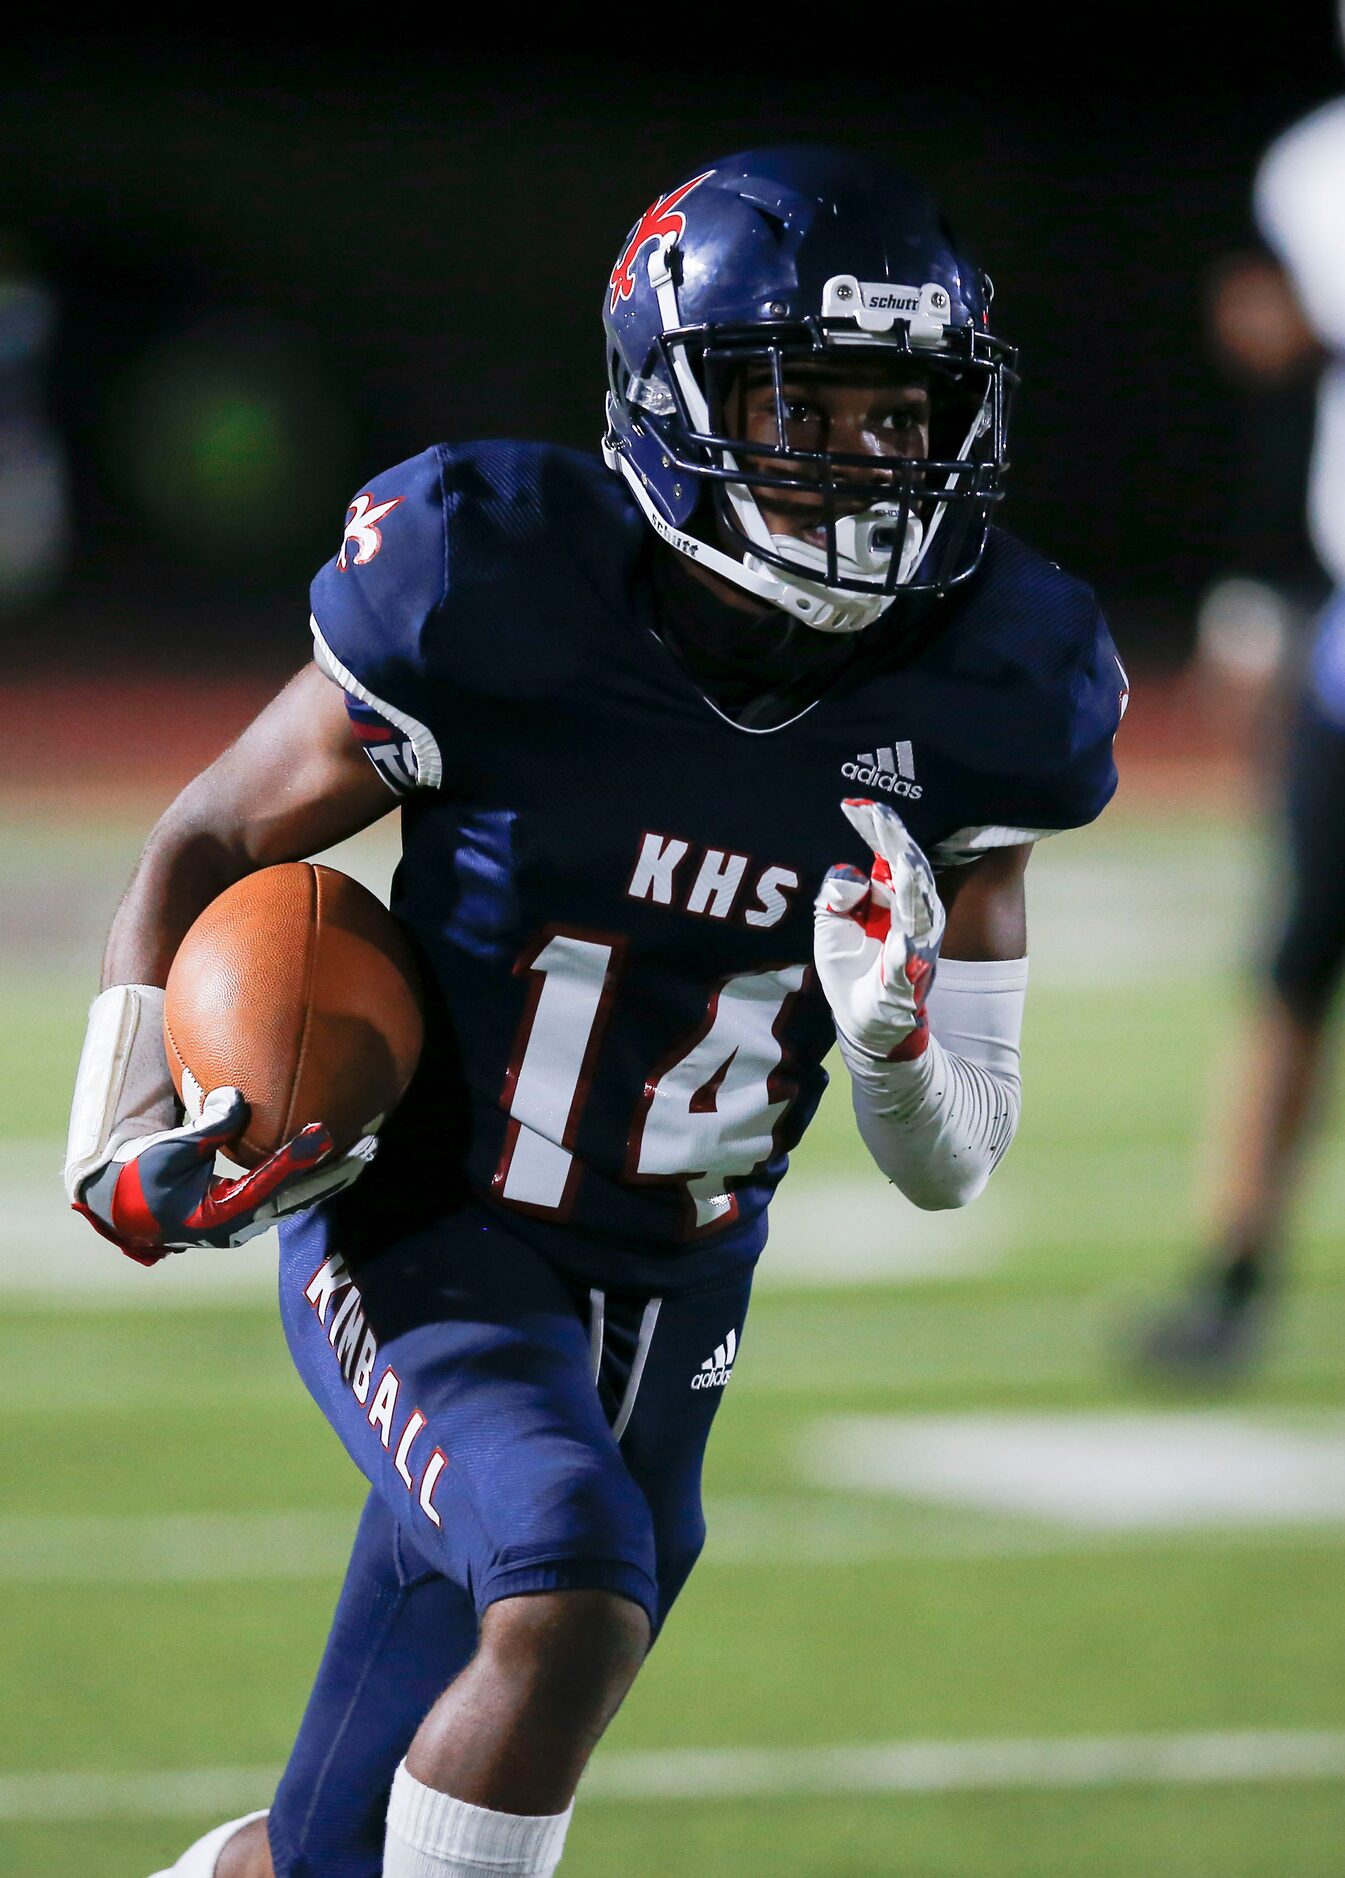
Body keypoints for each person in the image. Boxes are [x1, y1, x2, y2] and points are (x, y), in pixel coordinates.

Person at [62, 146, 1126, 1878]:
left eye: (901, 416)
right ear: (675, 396)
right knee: (565, 1588)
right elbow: (208, 834)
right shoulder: (492, 575)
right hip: (430, 1215)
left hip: (679, 1287)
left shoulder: (1002, 687)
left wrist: (893, 1036)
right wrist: (114, 1131)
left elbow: (952, 1163)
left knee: (336, 1849)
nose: (865, 467)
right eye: (809, 407)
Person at [1139, 65, 1345, 1375]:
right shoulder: (1312, 165)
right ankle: (1230, 1270)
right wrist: (1266, 582)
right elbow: (1273, 361)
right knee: (1290, 955)